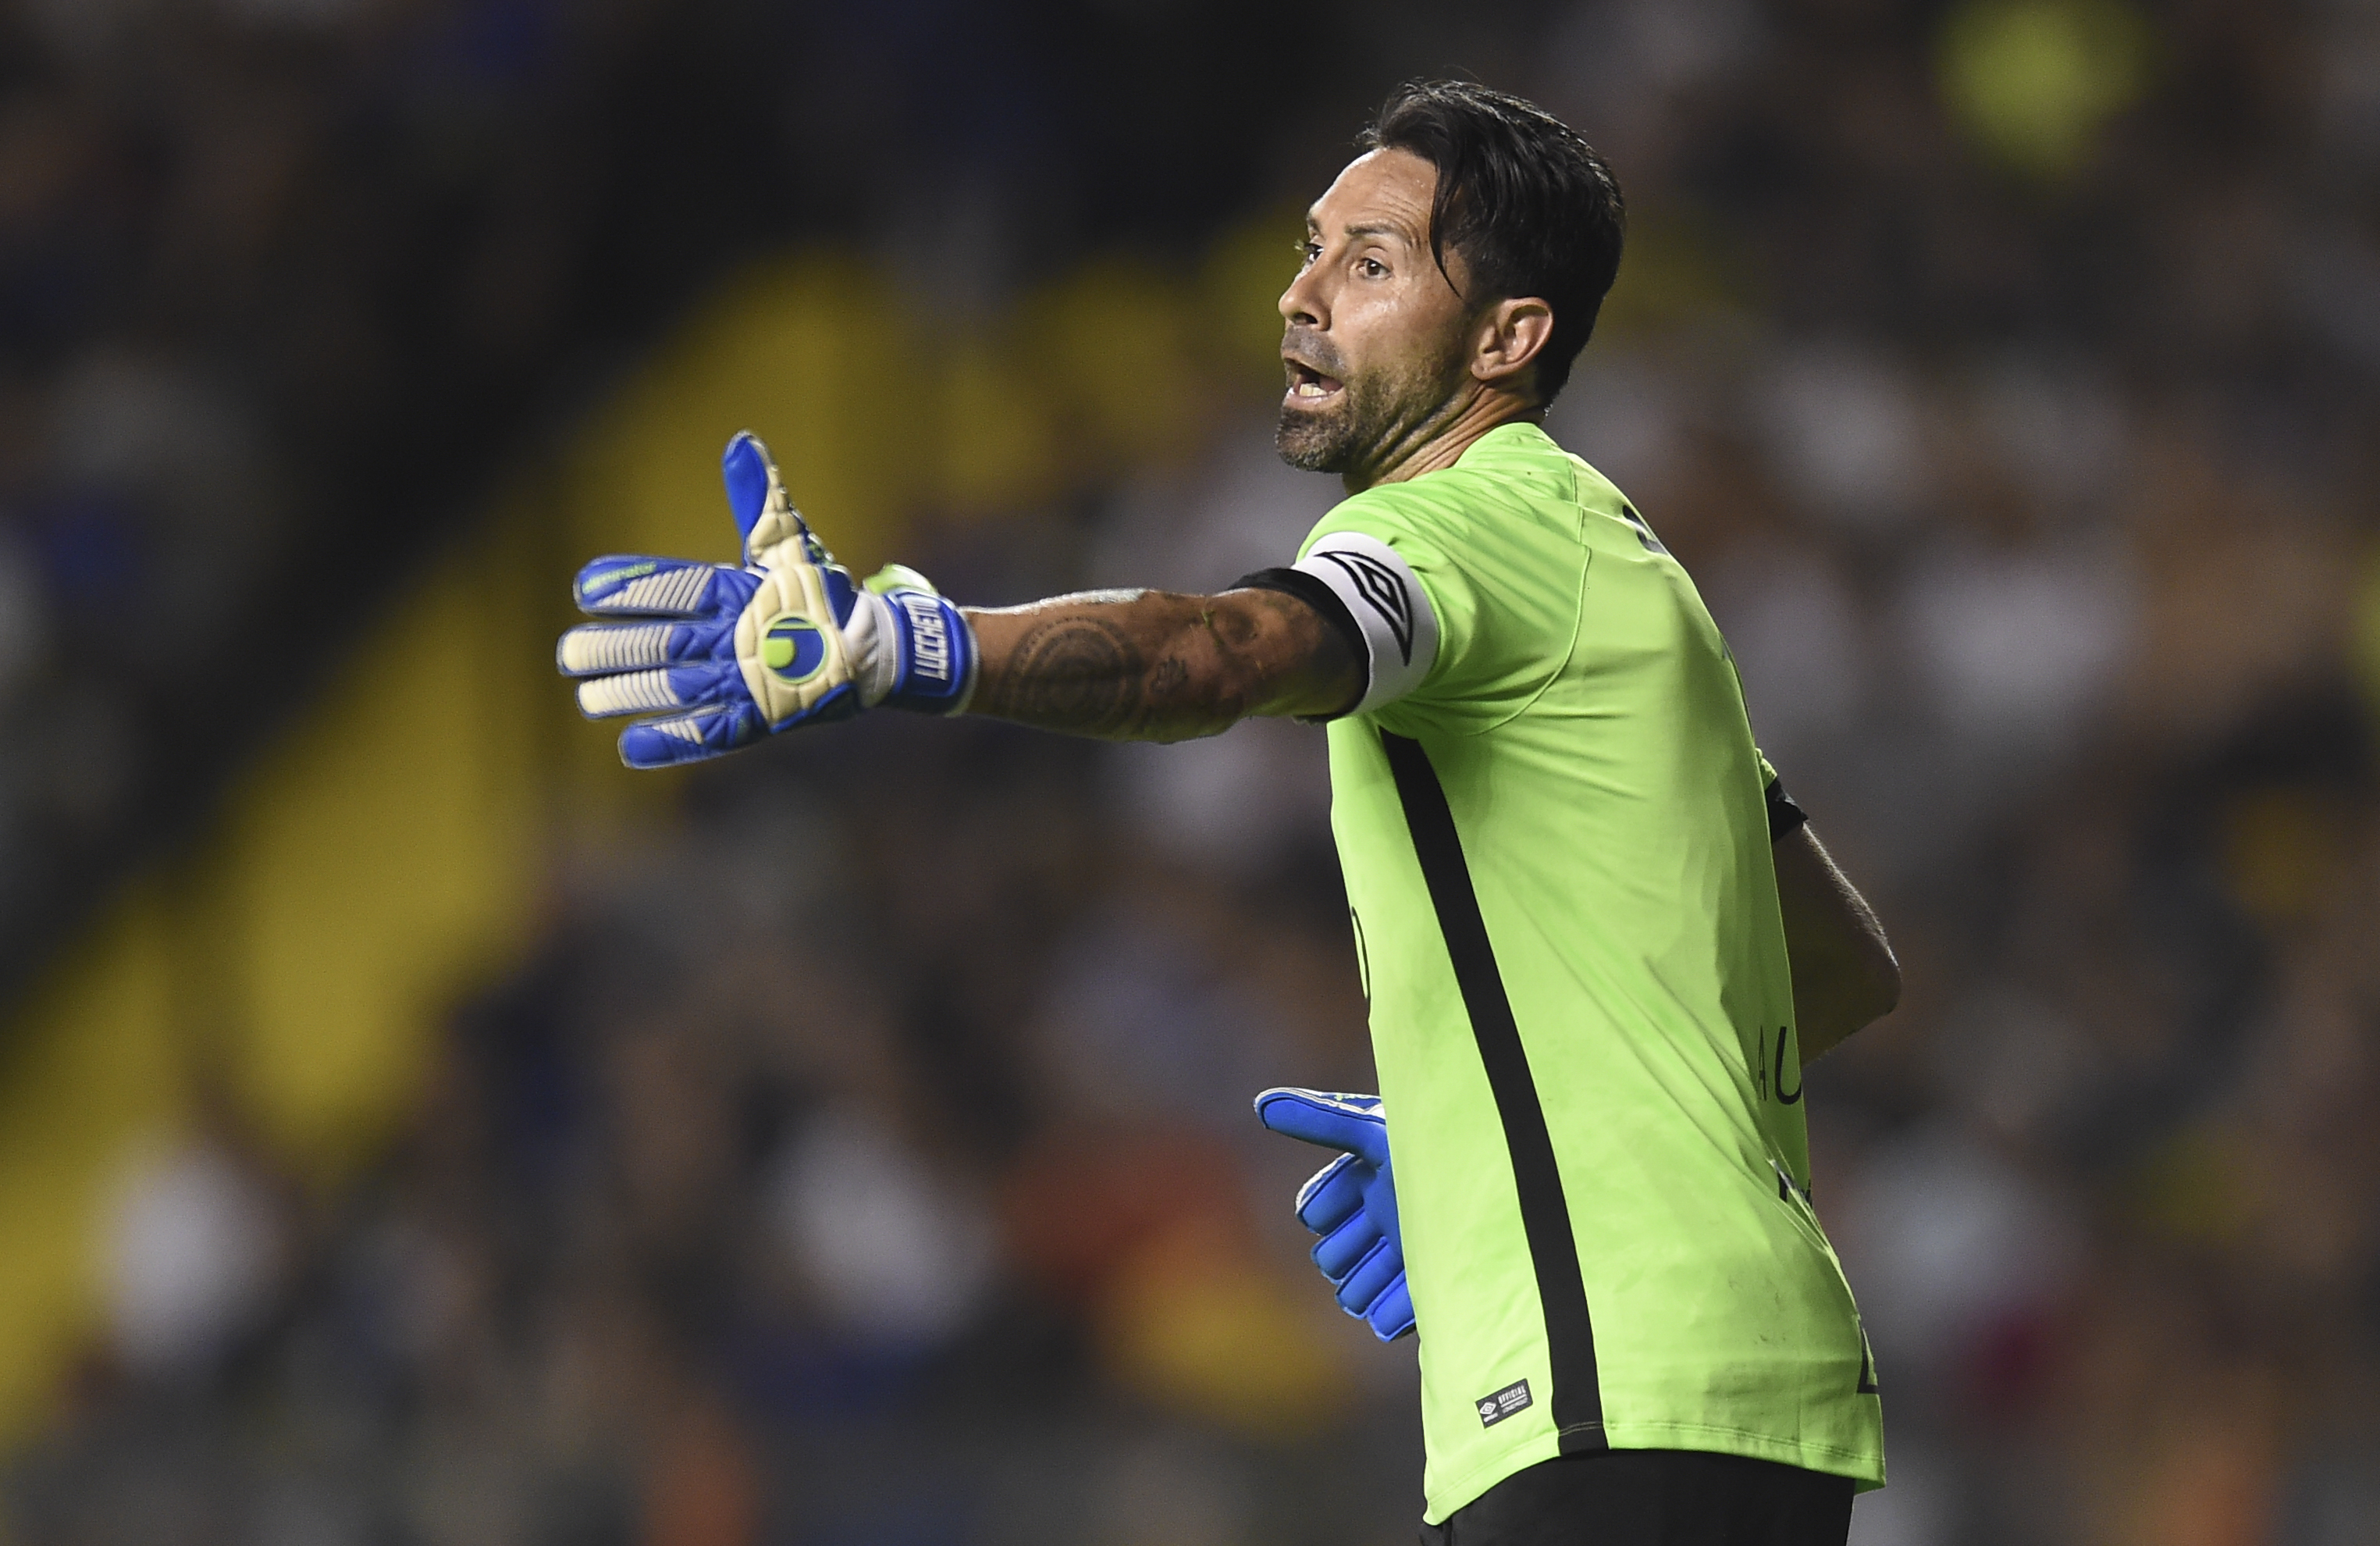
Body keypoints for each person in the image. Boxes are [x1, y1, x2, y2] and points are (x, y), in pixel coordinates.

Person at [557, 79, 1900, 1546]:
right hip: (1731, 1374)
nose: (1300, 295)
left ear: (1509, 338)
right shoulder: (1626, 575)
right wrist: (1486, 1125)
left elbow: (1214, 652)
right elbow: (1826, 964)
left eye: (1370, 264)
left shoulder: (1460, 519)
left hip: (1614, 1382)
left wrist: (904, 645)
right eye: (1311, 248)